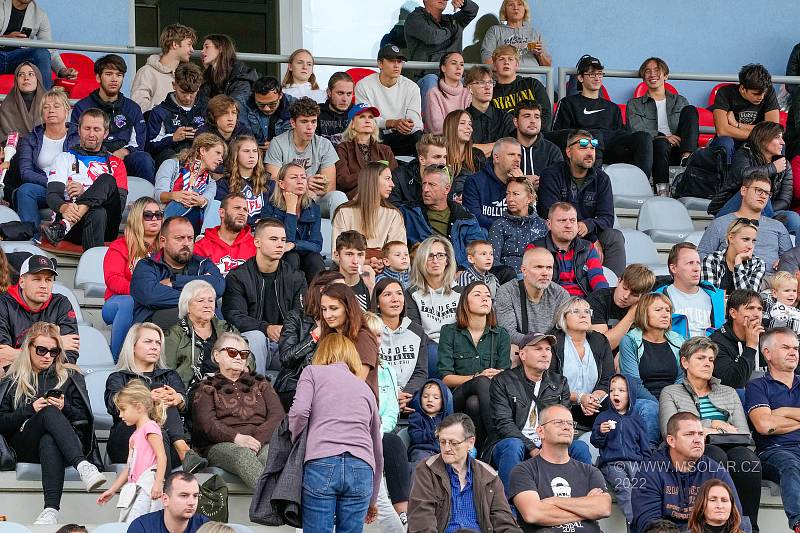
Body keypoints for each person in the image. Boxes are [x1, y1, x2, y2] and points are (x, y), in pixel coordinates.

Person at [0, 322, 106, 525]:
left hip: (64, 446)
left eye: (54, 351)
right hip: (24, 445)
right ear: (28, 348)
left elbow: (84, 422)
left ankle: (50, 510)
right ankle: (83, 466)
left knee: (49, 440)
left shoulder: (70, 377)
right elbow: (2, 423)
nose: (47, 356)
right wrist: (31, 410)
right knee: (47, 411)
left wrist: (65, 408)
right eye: (41, 350)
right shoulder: (13, 379)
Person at [660, 336, 762, 531]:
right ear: (684, 362)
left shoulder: (729, 392)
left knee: (747, 460)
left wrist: (712, 430)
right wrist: (713, 424)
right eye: (701, 358)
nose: (707, 363)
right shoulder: (671, 392)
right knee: (715, 456)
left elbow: (742, 432)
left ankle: (748, 527)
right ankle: (706, 526)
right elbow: (669, 429)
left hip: (732, 446)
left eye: (711, 359)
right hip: (693, 450)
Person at [289, 333, 383, 530]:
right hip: (362, 467)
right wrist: (373, 499)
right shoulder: (365, 388)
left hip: (322, 462)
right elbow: (377, 448)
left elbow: (299, 412)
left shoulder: (312, 372)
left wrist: (296, 440)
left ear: (322, 353)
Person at [486, 332, 593, 495]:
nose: (545, 354)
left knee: (580, 447)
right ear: (522, 354)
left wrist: (548, 447)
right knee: (513, 445)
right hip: (512, 444)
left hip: (548, 442)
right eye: (538, 349)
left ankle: (584, 499)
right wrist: (533, 449)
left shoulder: (560, 382)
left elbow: (563, 420)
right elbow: (504, 424)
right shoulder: (503, 381)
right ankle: (509, 508)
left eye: (548, 349)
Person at [105, 323, 201, 473]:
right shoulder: (119, 377)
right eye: (148, 341)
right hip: (127, 440)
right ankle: (183, 449)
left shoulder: (170, 375)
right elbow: (113, 405)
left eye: (158, 343)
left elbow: (187, 406)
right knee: (158, 394)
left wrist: (178, 399)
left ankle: (179, 450)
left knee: (160, 429)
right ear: (133, 346)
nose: (155, 346)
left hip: (166, 441)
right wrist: (147, 398)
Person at [192, 332, 284, 489]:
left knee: (270, 456)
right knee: (243, 455)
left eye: (243, 354)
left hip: (261, 441)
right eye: (232, 352)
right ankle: (275, 507)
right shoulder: (206, 386)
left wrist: (256, 440)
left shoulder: (261, 383)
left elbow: (278, 415)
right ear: (216, 355)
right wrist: (237, 438)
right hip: (222, 445)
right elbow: (207, 424)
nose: (238, 357)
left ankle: (266, 510)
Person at [632, 412, 748, 533]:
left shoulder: (716, 472)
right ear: (671, 440)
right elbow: (649, 525)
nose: (698, 440)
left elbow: (735, 518)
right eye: (689, 434)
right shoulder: (649, 472)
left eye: (701, 434)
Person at [408, 413, 522, 533]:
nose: (446, 448)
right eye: (442, 442)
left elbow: (504, 522)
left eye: (453, 443)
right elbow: (421, 521)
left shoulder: (489, 476)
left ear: (471, 442)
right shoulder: (427, 470)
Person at [509, 404, 612, 533]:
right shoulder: (523, 471)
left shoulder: (590, 471)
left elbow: (604, 508)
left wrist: (554, 501)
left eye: (570, 423)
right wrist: (587, 509)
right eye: (558, 422)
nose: (566, 427)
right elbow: (533, 514)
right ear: (541, 431)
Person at [221, 218, 306, 374]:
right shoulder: (238, 277)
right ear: (257, 242)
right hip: (249, 345)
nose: (280, 244)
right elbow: (234, 316)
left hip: (284, 344)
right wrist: (266, 328)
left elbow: (302, 315)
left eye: (283, 239)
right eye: (273, 239)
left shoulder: (295, 277)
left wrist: (286, 332)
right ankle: (255, 392)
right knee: (257, 336)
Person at [537, 130, 627, 276]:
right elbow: (549, 214)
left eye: (592, 148)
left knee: (614, 236)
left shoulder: (602, 179)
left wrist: (588, 225)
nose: (590, 152)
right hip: (558, 233)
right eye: (583, 147)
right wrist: (591, 240)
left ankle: (613, 290)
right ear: (568, 151)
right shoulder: (551, 174)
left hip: (588, 232)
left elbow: (607, 218)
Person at [41, 108, 129, 250]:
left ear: (105, 133)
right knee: (97, 212)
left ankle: (64, 225)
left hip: (106, 225)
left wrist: (84, 193)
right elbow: (52, 195)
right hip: (75, 227)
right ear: (79, 130)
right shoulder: (63, 158)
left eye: (97, 129)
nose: (91, 134)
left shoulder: (116, 163)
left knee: (107, 179)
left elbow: (120, 204)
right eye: (87, 128)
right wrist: (65, 207)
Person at [551, 55, 652, 175]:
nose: (597, 78)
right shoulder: (568, 103)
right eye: (592, 74)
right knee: (595, 135)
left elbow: (620, 135)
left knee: (644, 137)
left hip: (610, 149)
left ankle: (642, 184)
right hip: (584, 147)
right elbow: (558, 134)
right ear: (580, 78)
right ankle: (594, 182)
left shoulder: (613, 107)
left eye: (599, 74)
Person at [438, 281, 511, 446]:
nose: (484, 299)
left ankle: (480, 448)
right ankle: (496, 437)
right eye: (477, 295)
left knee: (475, 403)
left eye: (487, 296)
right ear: (465, 302)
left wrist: (496, 376)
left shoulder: (501, 335)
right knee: (481, 382)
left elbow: (505, 376)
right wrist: (477, 377)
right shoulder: (449, 332)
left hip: (489, 398)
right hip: (457, 396)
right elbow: (446, 378)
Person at [746, 327, 800, 530]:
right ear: (767, 353)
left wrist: (782, 411)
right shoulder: (757, 386)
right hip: (775, 451)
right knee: (790, 465)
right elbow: (764, 426)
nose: (793, 352)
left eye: (796, 347)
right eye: (786, 347)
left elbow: (772, 420)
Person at [71, 54, 155, 183]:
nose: (114, 79)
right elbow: (75, 139)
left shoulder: (132, 108)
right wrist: (101, 153)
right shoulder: (82, 107)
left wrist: (124, 151)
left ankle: (146, 201)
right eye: (109, 74)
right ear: (98, 77)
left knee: (144, 159)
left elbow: (139, 142)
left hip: (123, 157)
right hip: (92, 156)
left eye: (119, 75)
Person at [130, 216, 225, 329]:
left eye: (190, 238)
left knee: (218, 323)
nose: (186, 243)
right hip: (155, 330)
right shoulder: (147, 265)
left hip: (201, 326)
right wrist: (199, 298)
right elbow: (151, 296)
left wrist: (174, 282)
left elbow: (218, 285)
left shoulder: (203, 264)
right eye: (179, 238)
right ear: (162, 241)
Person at [96, 379, 168, 523]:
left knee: (138, 524)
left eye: (123, 410)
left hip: (148, 487)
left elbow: (162, 456)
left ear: (139, 407)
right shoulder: (134, 435)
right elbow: (129, 468)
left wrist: (159, 483)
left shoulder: (150, 427)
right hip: (135, 488)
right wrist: (113, 489)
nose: (120, 415)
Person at [710, 122, 799, 236]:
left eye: (782, 138)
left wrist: (766, 208)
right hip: (733, 211)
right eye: (777, 137)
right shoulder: (744, 154)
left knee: (794, 218)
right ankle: (766, 230)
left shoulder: (784, 165)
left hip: (768, 213)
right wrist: (772, 168)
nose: (783, 142)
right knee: (760, 192)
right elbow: (743, 174)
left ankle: (791, 253)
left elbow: (785, 201)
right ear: (763, 139)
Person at [274, 271, 344, 411]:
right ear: (322, 290)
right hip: (295, 385)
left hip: (330, 387)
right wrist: (314, 337)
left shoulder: (343, 321)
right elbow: (286, 358)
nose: (344, 294)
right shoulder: (296, 317)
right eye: (339, 289)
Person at [14, 87, 78, 238]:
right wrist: (53, 182)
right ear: (41, 113)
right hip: (46, 188)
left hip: (72, 189)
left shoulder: (78, 135)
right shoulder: (31, 138)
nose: (51, 110)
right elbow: (25, 172)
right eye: (46, 107)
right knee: (25, 190)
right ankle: (33, 239)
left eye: (56, 106)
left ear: (67, 110)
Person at [264, 96, 344, 218]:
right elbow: (273, 183)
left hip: (314, 199)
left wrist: (314, 190)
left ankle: (341, 236)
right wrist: (305, 183)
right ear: (293, 123)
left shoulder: (324, 144)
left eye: (313, 121)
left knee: (338, 197)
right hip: (286, 201)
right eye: (304, 121)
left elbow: (330, 186)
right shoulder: (278, 143)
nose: (310, 127)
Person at [626, 57, 699, 189]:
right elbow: (636, 130)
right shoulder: (634, 104)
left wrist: (678, 143)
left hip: (679, 148)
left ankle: (687, 157)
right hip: (654, 149)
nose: (652, 74)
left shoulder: (680, 101)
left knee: (691, 110)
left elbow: (688, 127)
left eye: (657, 70)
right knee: (661, 143)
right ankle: (662, 190)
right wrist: (663, 137)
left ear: (666, 76)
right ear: (643, 77)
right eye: (647, 71)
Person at [698, 173, 793, 274]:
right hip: (732, 279)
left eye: (767, 193)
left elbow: (791, 259)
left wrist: (783, 262)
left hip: (772, 283)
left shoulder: (777, 226)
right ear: (744, 190)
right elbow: (702, 254)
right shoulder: (719, 224)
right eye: (759, 190)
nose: (763, 196)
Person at [103, 197, 162, 360]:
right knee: (128, 302)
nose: (155, 218)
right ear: (136, 217)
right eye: (148, 215)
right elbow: (113, 280)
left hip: (153, 302)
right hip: (117, 304)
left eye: (159, 214)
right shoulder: (120, 246)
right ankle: (118, 359)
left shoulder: (167, 248)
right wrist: (145, 292)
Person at [549, 297, 617, 436]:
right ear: (564, 317)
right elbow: (550, 383)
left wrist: (593, 398)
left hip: (593, 406)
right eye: (576, 311)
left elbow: (607, 379)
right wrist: (580, 398)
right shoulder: (554, 341)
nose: (583, 315)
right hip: (561, 405)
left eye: (587, 311)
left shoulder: (600, 340)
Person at [590, 374, 651, 526]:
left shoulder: (638, 419)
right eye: (612, 391)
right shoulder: (603, 417)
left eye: (621, 390)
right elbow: (595, 442)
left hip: (636, 464)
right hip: (612, 464)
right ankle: (637, 523)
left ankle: (639, 524)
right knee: (625, 490)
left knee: (641, 492)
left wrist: (647, 466)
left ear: (631, 394)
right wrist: (600, 432)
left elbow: (645, 446)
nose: (615, 394)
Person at [402, 163, 487, 270]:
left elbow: (478, 250)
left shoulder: (464, 217)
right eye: (424, 184)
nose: (425, 189)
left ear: (447, 189)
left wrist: (462, 270)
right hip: (425, 270)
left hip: (459, 272)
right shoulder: (409, 212)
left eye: (432, 185)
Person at [0, 254, 79, 366]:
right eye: (37, 279)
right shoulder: (3, 303)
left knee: (73, 370)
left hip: (51, 371)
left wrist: (18, 354)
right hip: (14, 371)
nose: (43, 285)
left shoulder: (61, 303)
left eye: (48, 280)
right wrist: (57, 344)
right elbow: (3, 356)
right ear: (22, 282)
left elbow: (70, 356)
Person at [163, 280, 240, 389]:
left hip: (229, 384)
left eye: (211, 301)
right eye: (201, 301)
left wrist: (244, 368)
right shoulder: (175, 334)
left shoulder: (227, 329)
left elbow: (248, 357)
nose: (207, 305)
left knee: (262, 386)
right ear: (187, 305)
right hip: (195, 388)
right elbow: (166, 370)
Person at [403, 0, 478, 111]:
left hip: (454, 79)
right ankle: (429, 127)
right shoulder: (414, 18)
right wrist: (452, 30)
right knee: (431, 80)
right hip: (427, 77)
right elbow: (433, 37)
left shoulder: (451, 20)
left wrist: (463, 2)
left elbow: (473, 10)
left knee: (473, 84)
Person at [405, 236, 462, 376]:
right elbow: (416, 331)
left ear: (448, 260)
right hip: (427, 349)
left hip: (455, 347)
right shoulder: (411, 294)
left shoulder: (461, 293)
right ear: (421, 260)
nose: (435, 261)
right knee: (432, 352)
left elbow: (465, 327)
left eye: (440, 255)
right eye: (430, 256)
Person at [260, 162, 324, 283]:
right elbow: (283, 242)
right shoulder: (270, 208)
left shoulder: (313, 208)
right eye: (294, 177)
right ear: (281, 184)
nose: (300, 181)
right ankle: (287, 299)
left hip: (305, 255)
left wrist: (295, 245)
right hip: (279, 256)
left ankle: (317, 299)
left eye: (303, 177)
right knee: (291, 257)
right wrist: (291, 209)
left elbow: (317, 245)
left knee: (315, 258)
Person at [332, 161, 407, 266]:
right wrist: (367, 264)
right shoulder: (344, 212)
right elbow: (336, 255)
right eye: (387, 179)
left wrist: (378, 263)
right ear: (372, 181)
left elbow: (399, 254)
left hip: (384, 270)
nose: (392, 184)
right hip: (351, 270)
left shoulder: (394, 214)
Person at [355, 44, 423, 157]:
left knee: (419, 136)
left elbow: (416, 121)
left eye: (399, 61)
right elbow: (365, 119)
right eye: (391, 61)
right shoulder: (364, 85)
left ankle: (418, 171)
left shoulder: (412, 87)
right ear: (380, 64)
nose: (396, 65)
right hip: (379, 134)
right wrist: (391, 123)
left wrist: (408, 124)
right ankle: (374, 171)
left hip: (404, 135)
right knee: (370, 132)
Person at [371, 278, 429, 409]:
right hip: (379, 392)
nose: (395, 299)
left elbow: (420, 372)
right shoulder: (369, 331)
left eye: (399, 293)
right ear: (378, 302)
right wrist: (391, 395)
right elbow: (368, 372)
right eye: (387, 294)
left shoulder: (417, 331)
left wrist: (405, 395)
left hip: (409, 394)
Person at [496, 247, 570, 348]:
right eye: (538, 267)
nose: (545, 273)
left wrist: (544, 346)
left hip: (551, 348)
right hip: (521, 347)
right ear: (524, 270)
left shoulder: (560, 294)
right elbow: (508, 333)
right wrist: (538, 345)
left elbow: (565, 331)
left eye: (549, 267)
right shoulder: (507, 291)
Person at [619, 292, 686, 402]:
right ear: (644, 313)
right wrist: (658, 405)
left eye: (667, 310)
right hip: (642, 400)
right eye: (658, 310)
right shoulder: (629, 340)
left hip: (673, 398)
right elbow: (633, 382)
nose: (665, 315)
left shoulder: (679, 341)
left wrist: (668, 403)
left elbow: (681, 378)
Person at [154, 132, 225, 235]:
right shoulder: (171, 165)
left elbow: (207, 200)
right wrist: (175, 195)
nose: (221, 160)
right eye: (217, 153)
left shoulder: (211, 183)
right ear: (203, 150)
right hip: (167, 217)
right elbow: (158, 195)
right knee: (186, 198)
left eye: (222, 156)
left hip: (194, 224)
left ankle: (202, 239)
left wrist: (201, 201)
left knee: (216, 205)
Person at [534, 202, 609, 296]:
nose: (569, 225)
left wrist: (605, 299)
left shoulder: (588, 248)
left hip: (584, 304)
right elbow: (534, 285)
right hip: (550, 303)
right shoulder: (535, 249)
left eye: (573, 220)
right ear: (549, 224)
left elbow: (597, 277)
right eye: (562, 220)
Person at [711, 63, 780, 164]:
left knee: (776, 143)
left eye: (763, 93)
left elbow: (772, 129)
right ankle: (725, 178)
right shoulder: (725, 93)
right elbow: (722, 130)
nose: (761, 97)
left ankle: (773, 178)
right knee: (725, 143)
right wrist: (760, 135)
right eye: (756, 94)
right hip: (733, 141)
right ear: (743, 88)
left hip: (757, 142)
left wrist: (737, 125)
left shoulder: (769, 92)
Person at [0, 0, 78, 89]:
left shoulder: (40, 15)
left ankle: (45, 100)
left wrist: (62, 70)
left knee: (42, 53)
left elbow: (49, 48)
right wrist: (5, 38)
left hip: (18, 60)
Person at [657, 242, 725, 338]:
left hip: (712, 350)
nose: (697, 268)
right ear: (673, 268)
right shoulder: (659, 298)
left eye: (698, 263)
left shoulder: (715, 297)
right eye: (690, 263)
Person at [145, 62, 206, 167]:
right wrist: (172, 138)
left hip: (202, 158)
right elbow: (149, 146)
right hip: (172, 161)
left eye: (192, 93)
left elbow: (218, 139)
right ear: (174, 85)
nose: (187, 98)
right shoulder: (160, 112)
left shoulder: (206, 108)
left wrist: (201, 136)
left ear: (199, 88)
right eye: (183, 92)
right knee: (168, 156)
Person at [334, 104, 398, 199]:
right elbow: (343, 181)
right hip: (355, 198)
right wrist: (371, 175)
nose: (367, 120)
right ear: (352, 124)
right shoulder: (343, 148)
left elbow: (396, 179)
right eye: (362, 117)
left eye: (371, 117)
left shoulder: (385, 150)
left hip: (385, 198)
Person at [131, 23, 197, 113]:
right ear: (175, 44)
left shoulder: (184, 74)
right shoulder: (146, 72)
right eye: (189, 45)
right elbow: (138, 107)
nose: (192, 50)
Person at [587, 263, 655, 351]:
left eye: (634, 294)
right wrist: (630, 317)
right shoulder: (597, 300)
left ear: (642, 296)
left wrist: (621, 355)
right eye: (625, 288)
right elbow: (602, 347)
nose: (626, 296)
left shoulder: (647, 306)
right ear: (618, 281)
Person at [463, 137, 523, 230]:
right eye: (511, 155)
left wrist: (520, 186)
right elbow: (475, 217)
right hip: (485, 238)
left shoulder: (521, 182)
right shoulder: (474, 182)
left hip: (516, 238)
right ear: (496, 158)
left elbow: (528, 217)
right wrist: (505, 229)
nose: (517, 159)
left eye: (519, 155)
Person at [489, 176, 547, 271]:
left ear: (529, 198)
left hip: (537, 276)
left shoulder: (541, 225)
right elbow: (492, 261)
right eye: (508, 194)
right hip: (508, 279)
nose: (510, 199)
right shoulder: (499, 225)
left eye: (515, 194)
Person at [710, 290, 765, 390]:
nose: (757, 314)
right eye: (750, 308)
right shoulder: (716, 342)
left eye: (760, 309)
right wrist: (751, 346)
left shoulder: (768, 337)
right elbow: (733, 383)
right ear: (733, 313)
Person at [490, 45, 552, 130]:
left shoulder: (533, 84)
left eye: (510, 59)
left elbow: (546, 115)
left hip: (536, 137)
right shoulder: (490, 92)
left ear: (517, 64)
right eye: (501, 59)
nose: (506, 62)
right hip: (507, 140)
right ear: (494, 65)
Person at [194, 193, 256, 276]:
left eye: (245, 210)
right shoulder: (201, 247)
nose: (242, 213)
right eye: (237, 208)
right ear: (222, 213)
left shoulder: (255, 246)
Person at [215, 134, 270, 227]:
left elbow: (272, 211)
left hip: (262, 232)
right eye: (246, 151)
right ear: (236, 154)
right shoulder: (223, 184)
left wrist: (265, 220)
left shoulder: (268, 182)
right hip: (235, 231)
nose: (252, 155)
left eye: (255, 151)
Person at [127, 472, 209, 533]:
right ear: (165, 499)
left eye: (195, 496)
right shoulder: (142, 527)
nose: (191, 502)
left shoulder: (206, 527)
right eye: (184, 495)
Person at [481, 0, 551, 70]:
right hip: (506, 78)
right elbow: (487, 60)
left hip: (533, 77)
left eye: (520, 4)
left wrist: (540, 54)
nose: (516, 8)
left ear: (525, 9)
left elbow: (547, 66)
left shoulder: (534, 33)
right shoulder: (495, 31)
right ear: (504, 10)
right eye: (511, 5)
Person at [701, 218, 765, 292]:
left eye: (753, 241)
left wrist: (738, 263)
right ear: (731, 238)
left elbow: (749, 299)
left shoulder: (758, 264)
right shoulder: (711, 260)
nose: (750, 246)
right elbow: (711, 295)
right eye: (746, 239)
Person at [196, 33, 257, 111]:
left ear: (220, 49)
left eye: (206, 47)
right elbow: (200, 100)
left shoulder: (240, 74)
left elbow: (235, 105)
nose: (202, 51)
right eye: (203, 48)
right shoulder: (209, 75)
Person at [466, 65, 515, 155]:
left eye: (490, 82)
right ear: (470, 88)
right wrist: (499, 145)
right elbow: (461, 150)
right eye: (481, 82)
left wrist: (474, 148)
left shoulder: (505, 117)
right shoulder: (460, 119)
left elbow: (511, 148)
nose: (487, 87)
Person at [389, 132, 447, 208]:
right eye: (437, 157)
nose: (443, 162)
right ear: (422, 160)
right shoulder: (400, 176)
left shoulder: (449, 176)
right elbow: (393, 207)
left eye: (445, 157)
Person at [239, 75, 295, 151]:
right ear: (254, 95)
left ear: (281, 95)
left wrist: (278, 145)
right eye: (260, 104)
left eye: (272, 104)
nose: (267, 109)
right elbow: (240, 136)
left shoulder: (294, 105)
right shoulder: (243, 104)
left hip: (285, 153)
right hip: (253, 152)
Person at [515, 101, 562, 183]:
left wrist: (542, 184)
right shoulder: (506, 149)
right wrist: (524, 181)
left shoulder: (552, 150)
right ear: (516, 122)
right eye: (527, 116)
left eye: (537, 117)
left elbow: (560, 182)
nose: (533, 121)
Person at [424, 52, 471, 135]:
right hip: (440, 143)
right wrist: (462, 129)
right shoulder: (434, 93)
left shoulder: (467, 93)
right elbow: (437, 128)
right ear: (443, 68)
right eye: (454, 63)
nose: (459, 67)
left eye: (462, 64)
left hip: (464, 141)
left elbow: (471, 125)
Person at [407, 378, 453, 463]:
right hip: (421, 450)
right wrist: (433, 434)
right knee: (422, 463)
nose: (430, 400)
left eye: (436, 397)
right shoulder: (416, 417)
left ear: (443, 401)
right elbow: (415, 437)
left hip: (441, 452)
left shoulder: (446, 420)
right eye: (425, 396)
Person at [443, 109, 486, 199]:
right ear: (451, 127)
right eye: (462, 123)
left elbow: (484, 186)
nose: (469, 128)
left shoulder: (477, 156)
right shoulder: (441, 155)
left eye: (470, 124)